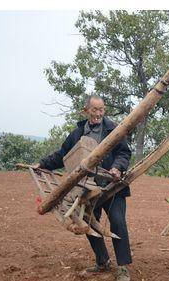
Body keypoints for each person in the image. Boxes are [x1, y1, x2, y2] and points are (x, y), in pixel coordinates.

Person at [36, 95, 132, 281]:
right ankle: (102, 261)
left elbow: (124, 153)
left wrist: (117, 167)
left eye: (101, 109)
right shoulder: (77, 134)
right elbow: (62, 155)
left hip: (113, 186)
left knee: (118, 222)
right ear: (86, 110)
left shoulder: (114, 129)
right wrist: (42, 164)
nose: (98, 113)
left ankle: (122, 267)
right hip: (87, 189)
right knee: (87, 223)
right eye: (94, 109)